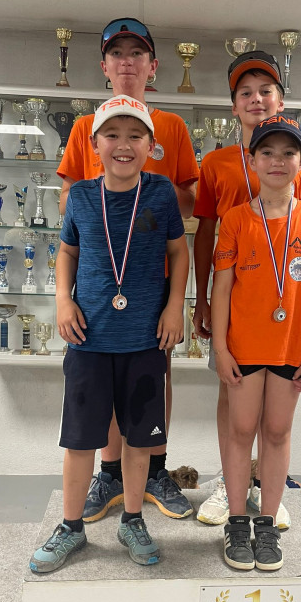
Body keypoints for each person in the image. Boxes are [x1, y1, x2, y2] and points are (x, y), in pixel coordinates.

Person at [30, 96, 189, 573]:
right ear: (94, 145)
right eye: (112, 135)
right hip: (89, 339)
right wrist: (63, 300)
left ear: (151, 146)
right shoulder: (80, 196)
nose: (124, 144)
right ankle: (71, 527)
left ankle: (133, 520)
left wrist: (175, 306)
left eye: (135, 135)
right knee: (80, 440)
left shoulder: (161, 194)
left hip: (145, 340)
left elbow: (179, 251)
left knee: (139, 440)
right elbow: (67, 253)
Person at [57, 18, 199, 523]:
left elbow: (189, 200)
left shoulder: (173, 128)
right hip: (100, 289)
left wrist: (144, 186)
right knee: (102, 388)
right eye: (117, 54)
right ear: (104, 66)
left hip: (149, 285)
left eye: (137, 54)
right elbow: (69, 203)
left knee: (150, 381)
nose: (127, 62)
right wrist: (108, 192)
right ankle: (109, 473)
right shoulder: (83, 127)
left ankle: (155, 470)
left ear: (152, 66)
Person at [193, 51, 301, 526]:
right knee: (231, 398)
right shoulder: (217, 162)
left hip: (284, 315)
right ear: (233, 106)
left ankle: (264, 487)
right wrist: (202, 297)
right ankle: (228, 486)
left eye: (265, 91)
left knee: (276, 416)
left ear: (280, 101)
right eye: (245, 93)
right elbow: (205, 232)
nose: (256, 99)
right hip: (236, 307)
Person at [211, 114, 301, 570]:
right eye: (267, 152)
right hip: (244, 349)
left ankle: (265, 523)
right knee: (240, 430)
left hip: (291, 349)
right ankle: (236, 522)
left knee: (278, 431)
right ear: (253, 161)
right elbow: (221, 289)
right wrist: (220, 349)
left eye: (288, 153)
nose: (277, 160)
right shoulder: (235, 220)